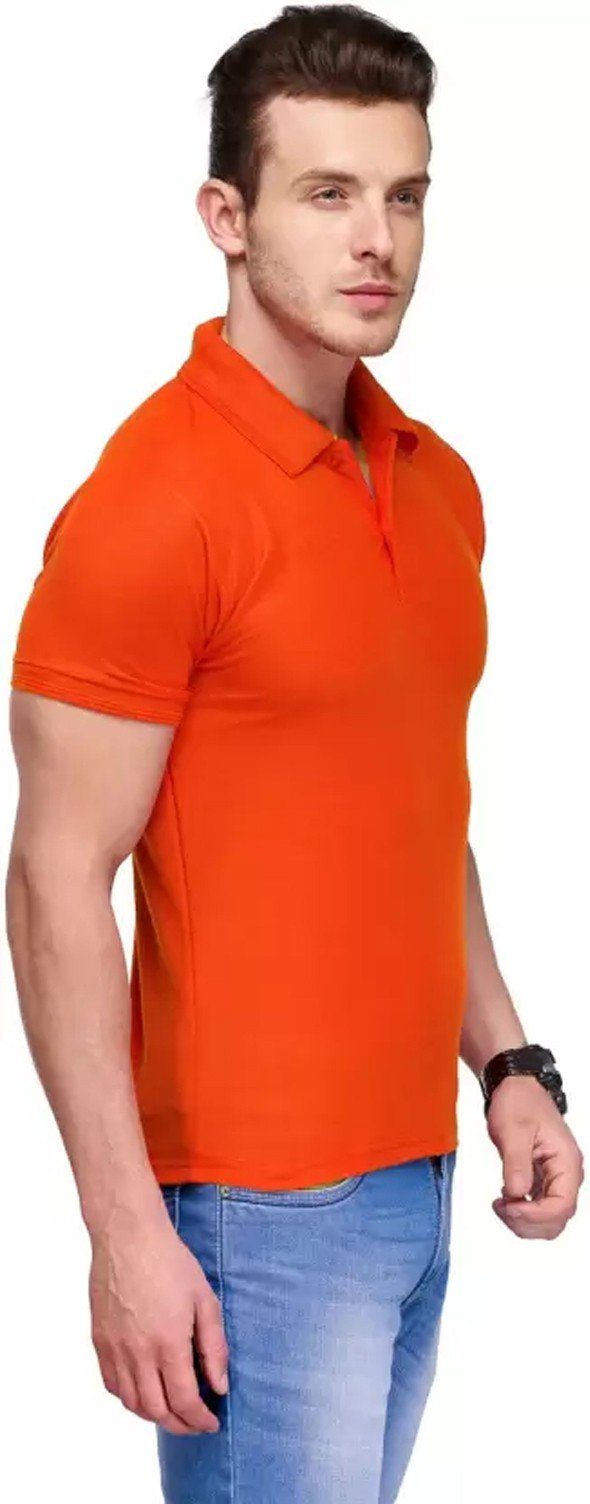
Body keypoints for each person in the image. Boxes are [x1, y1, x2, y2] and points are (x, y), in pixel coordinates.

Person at [6, 7, 584, 1503]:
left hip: (417, 1176)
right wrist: (125, 1231)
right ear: (227, 216)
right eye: (326, 193)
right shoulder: (154, 506)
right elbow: (56, 880)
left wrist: (508, 1061)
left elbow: (411, 811)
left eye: (404, 194)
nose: (377, 239)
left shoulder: (437, 486)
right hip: (253, 1212)